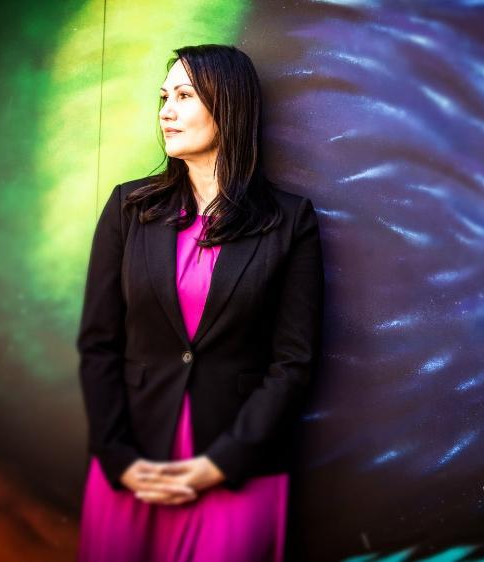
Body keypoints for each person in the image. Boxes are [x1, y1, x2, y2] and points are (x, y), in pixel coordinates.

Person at [75, 43, 324, 562]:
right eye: (163, 96)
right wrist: (116, 456)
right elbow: (99, 343)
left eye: (184, 95)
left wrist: (223, 462)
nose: (165, 110)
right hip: (134, 462)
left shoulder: (290, 220)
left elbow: (293, 363)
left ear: (227, 104)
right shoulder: (129, 207)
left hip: (238, 467)